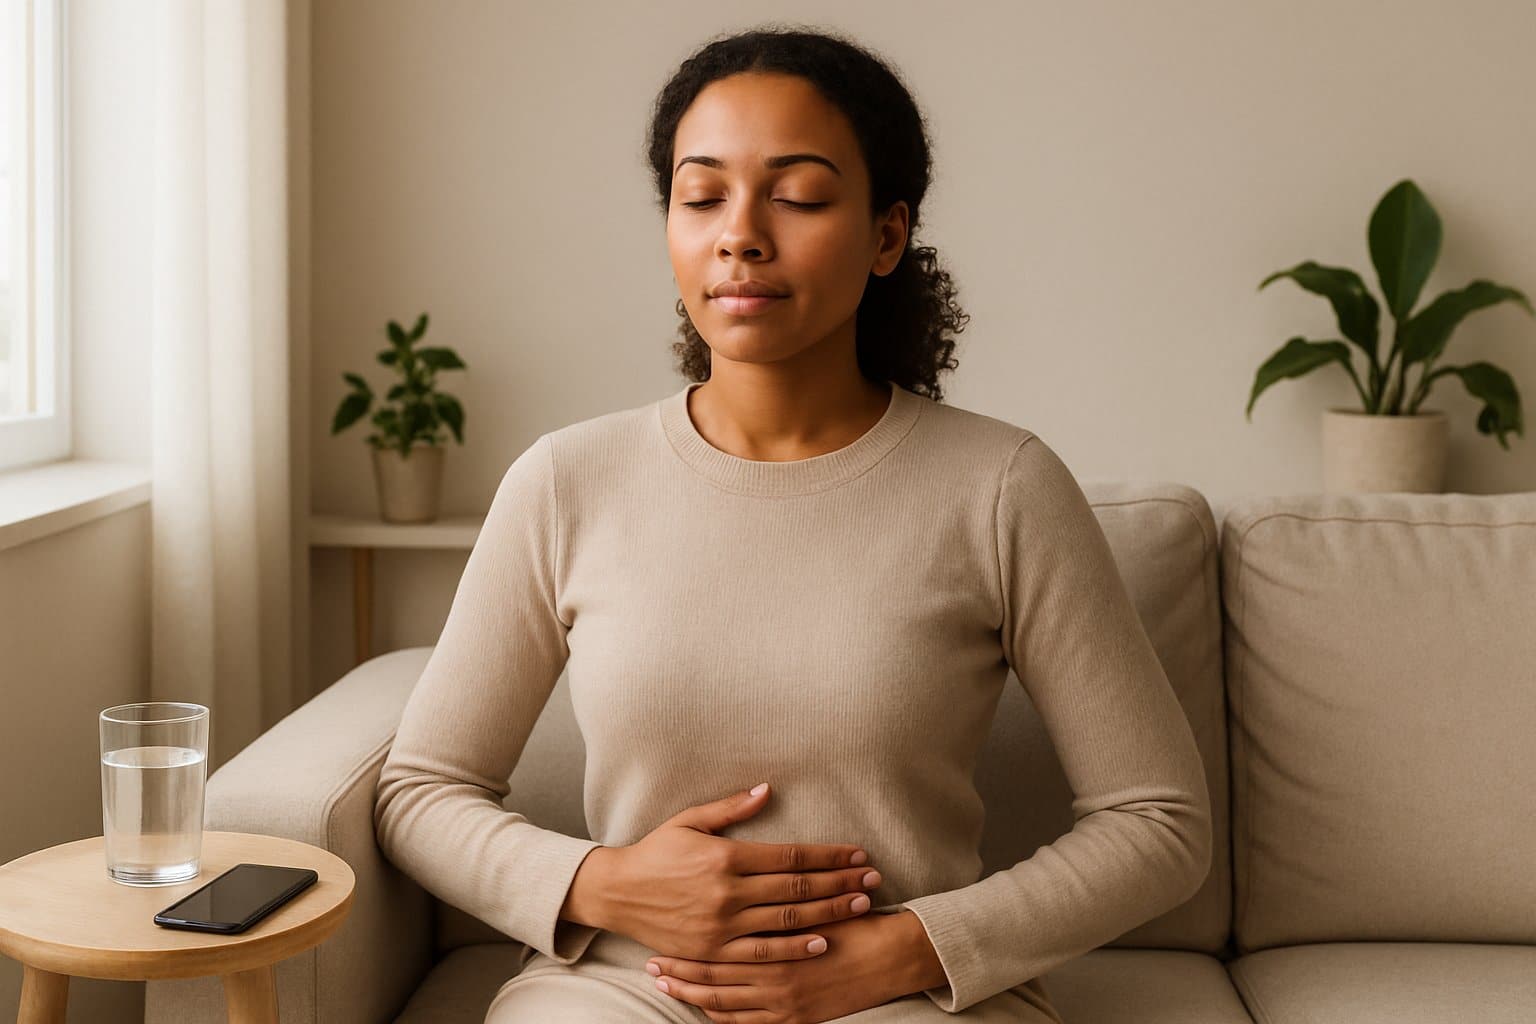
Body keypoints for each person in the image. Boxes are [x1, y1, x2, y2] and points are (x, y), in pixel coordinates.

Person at [374, 24, 1212, 1024]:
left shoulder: (1003, 486)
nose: (742, 232)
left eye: (800, 194)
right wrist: (604, 884)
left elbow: (1159, 820)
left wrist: (911, 948)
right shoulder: (567, 480)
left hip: (903, 993)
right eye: (702, 195)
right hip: (627, 986)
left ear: (888, 234)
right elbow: (419, 791)